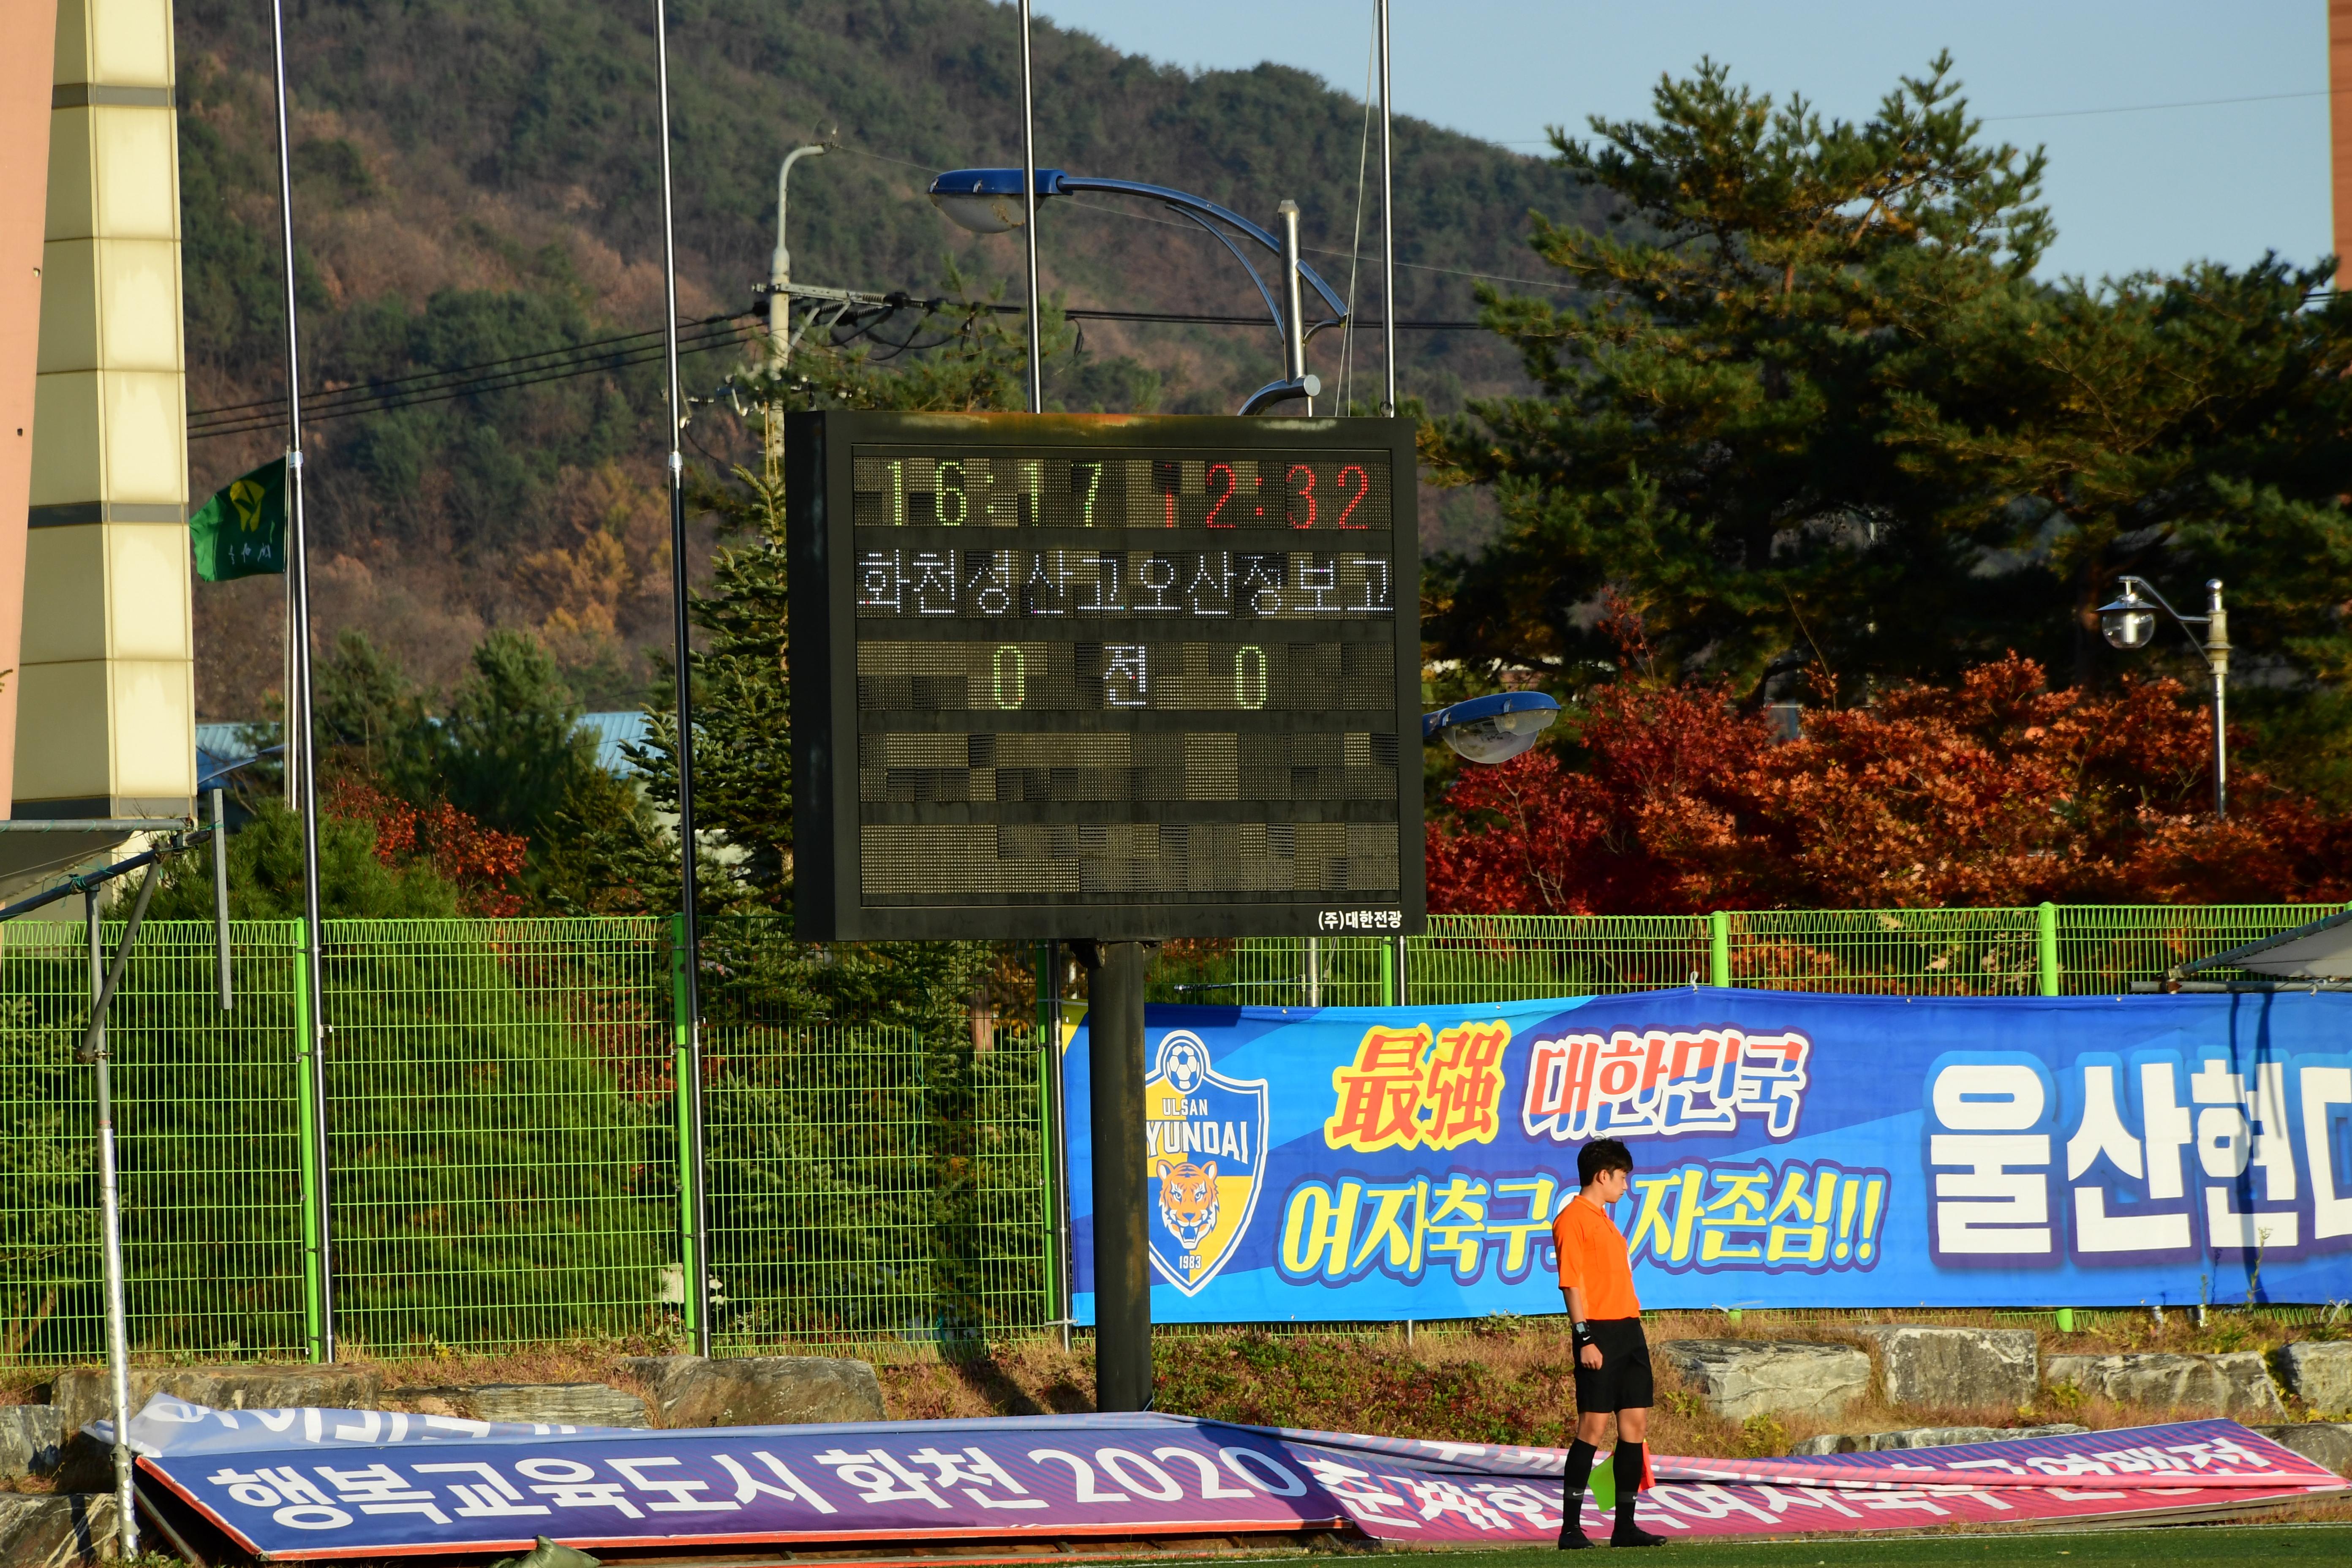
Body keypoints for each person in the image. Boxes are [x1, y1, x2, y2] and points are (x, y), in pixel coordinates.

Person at [1551, 1137, 1665, 1549]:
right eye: (1622, 1178)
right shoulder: (1572, 1218)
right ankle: (1570, 1529)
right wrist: (1584, 1337)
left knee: (1634, 1425)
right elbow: (1572, 1282)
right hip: (1597, 1331)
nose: (1625, 1187)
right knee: (1593, 1427)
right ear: (1603, 1175)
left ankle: (1625, 1527)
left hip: (1629, 1331)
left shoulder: (1605, 1219)